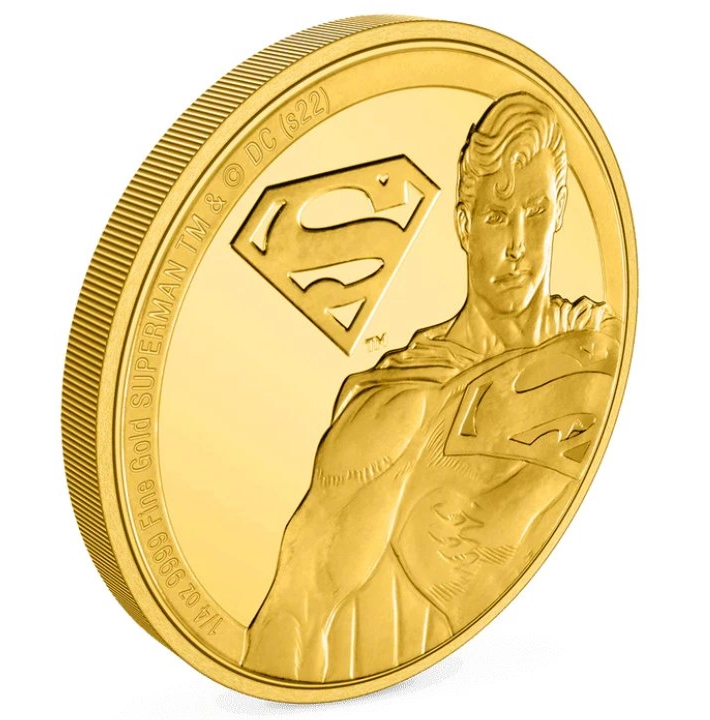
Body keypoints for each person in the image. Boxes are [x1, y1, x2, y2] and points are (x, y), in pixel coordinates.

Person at [242, 92, 621, 682]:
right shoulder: (402, 403)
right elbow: (300, 598)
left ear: (559, 214)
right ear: (464, 226)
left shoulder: (597, 349)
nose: (518, 244)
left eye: (536, 211)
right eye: (496, 217)